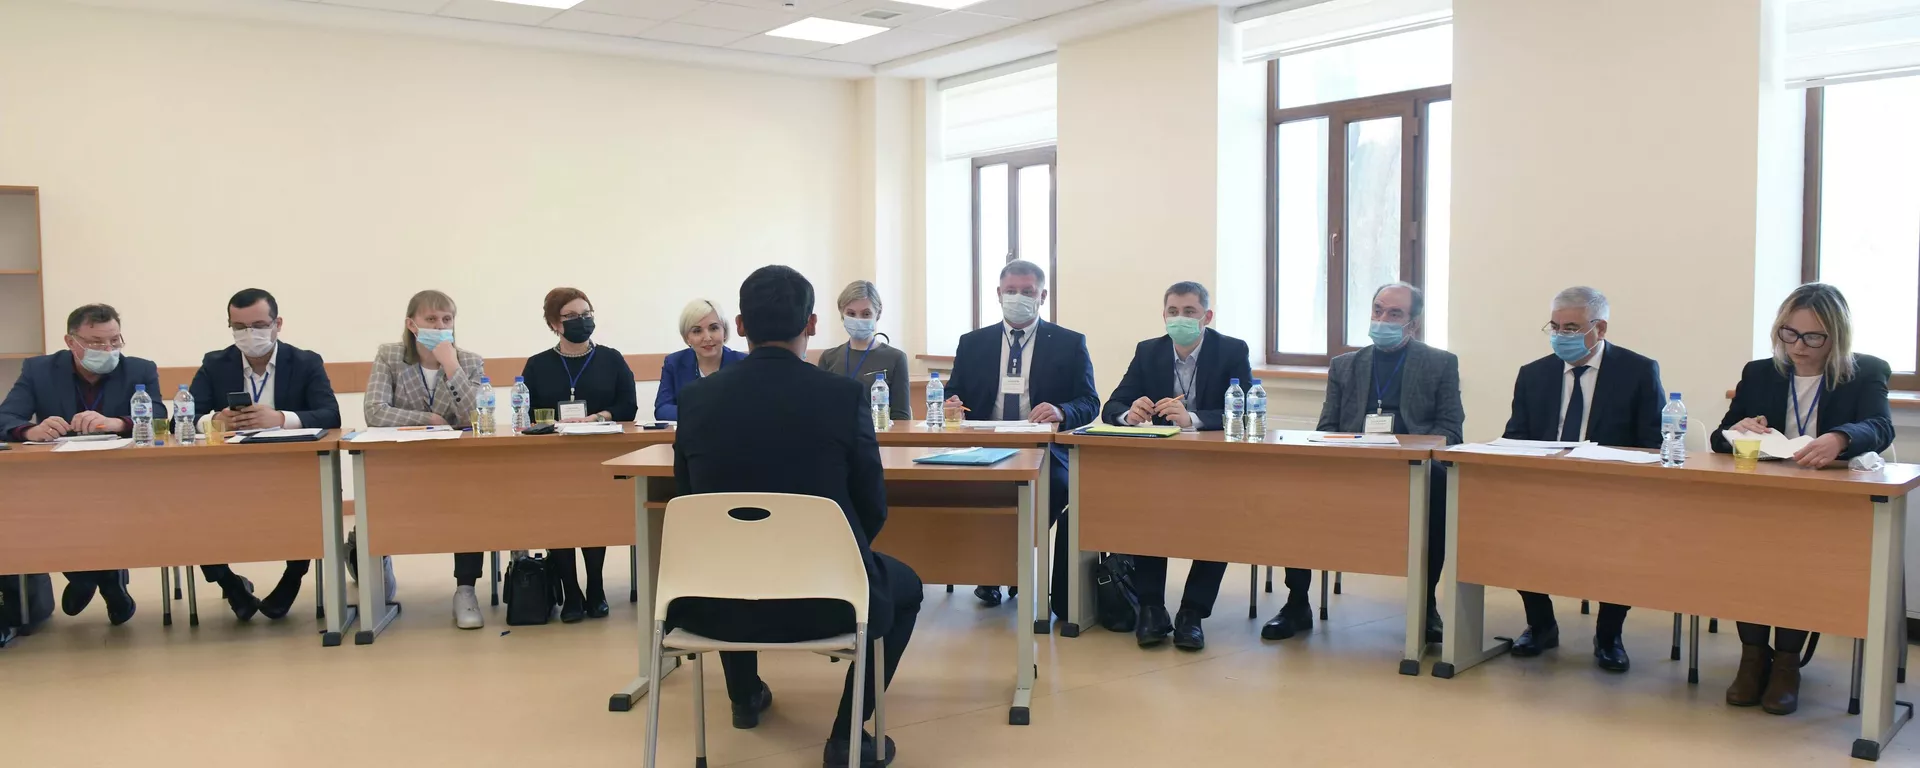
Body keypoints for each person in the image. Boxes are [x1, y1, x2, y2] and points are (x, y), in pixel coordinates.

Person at [670, 265, 921, 767]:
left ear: (741, 326)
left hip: (716, 603)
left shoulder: (695, 399)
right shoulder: (843, 397)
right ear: (811, 324)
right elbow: (871, 505)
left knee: (733, 552)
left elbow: (690, 499)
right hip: (829, 600)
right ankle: (846, 737)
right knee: (907, 587)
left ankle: (745, 697)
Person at [1712, 282, 1893, 716]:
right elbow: (1721, 437)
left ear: (1837, 336)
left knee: (1797, 565)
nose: (1798, 347)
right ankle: (1753, 656)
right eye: (1789, 334)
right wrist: (1740, 430)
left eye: (1813, 337)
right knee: (1748, 559)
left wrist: (1840, 437)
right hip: (1764, 498)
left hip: (1824, 503)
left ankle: (1787, 663)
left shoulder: (1865, 371)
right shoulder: (1761, 372)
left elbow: (1880, 427)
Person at [1265, 282, 1465, 645]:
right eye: (1377, 310)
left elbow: (1451, 430)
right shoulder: (1345, 366)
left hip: (1412, 470)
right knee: (1297, 483)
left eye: (1394, 313)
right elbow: (1327, 427)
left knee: (1439, 485)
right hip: (1352, 467)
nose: (1383, 319)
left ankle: (1426, 606)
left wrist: (1404, 448)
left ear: (1413, 323)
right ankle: (1297, 602)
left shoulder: (1440, 363)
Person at [1501, 286, 1664, 673]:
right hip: (1544, 486)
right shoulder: (1533, 374)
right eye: (1555, 327)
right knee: (1510, 523)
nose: (1561, 336)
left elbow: (1651, 441)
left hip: (1610, 489)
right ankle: (1541, 624)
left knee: (1622, 536)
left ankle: (1609, 635)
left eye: (1571, 328)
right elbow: (1515, 436)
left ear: (1600, 328)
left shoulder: (1638, 371)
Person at [1099, 281, 1251, 650]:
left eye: (1189, 312)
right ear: (1163, 315)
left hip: (1215, 466)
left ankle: (1192, 613)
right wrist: (1129, 414)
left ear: (1206, 316)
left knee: (1219, 520)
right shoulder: (1148, 351)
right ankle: (1152, 608)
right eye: (1172, 312)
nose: (1179, 319)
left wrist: (1192, 419)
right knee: (1145, 514)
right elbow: (1112, 406)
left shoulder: (1231, 350)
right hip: (1159, 464)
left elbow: (1245, 410)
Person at [944, 259, 1098, 616]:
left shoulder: (1069, 343)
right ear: (998, 294)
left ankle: (1007, 562)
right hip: (983, 444)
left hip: (1042, 447)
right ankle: (997, 565)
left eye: (1027, 291)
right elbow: (954, 392)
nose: (1018, 297)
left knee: (1056, 485)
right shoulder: (973, 343)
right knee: (962, 486)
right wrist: (952, 404)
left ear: (1042, 296)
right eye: (1011, 291)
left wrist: (1061, 410)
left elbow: (1090, 402)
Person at [190, 288, 342, 621]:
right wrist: (213, 421)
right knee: (191, 511)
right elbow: (183, 419)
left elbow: (331, 415)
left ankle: (293, 577)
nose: (249, 334)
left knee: (309, 503)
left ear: (277, 324)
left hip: (289, 471)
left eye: (259, 325)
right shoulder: (215, 364)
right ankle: (230, 585)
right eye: (239, 327)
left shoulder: (305, 362)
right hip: (226, 473)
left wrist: (281, 419)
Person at [0, 303, 154, 625]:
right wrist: (30, 430)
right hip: (59, 479)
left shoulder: (139, 370)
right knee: (44, 509)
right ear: (71, 341)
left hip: (122, 477)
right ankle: (102, 577)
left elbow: (161, 418)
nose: (108, 349)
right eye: (96, 342)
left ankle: (88, 575)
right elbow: (6, 416)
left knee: (105, 506)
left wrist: (117, 422)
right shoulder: (39, 370)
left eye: (114, 340)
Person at [364, 289, 489, 629]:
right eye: (431, 319)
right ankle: (367, 559)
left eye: (447, 319)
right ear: (412, 324)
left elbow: (476, 416)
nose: (440, 326)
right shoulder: (390, 357)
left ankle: (465, 590)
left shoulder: (470, 362)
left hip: (455, 466)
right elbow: (375, 411)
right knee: (381, 509)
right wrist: (427, 420)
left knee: (470, 507)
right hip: (400, 465)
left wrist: (451, 365)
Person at [519, 287, 638, 623]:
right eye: (571, 316)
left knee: (593, 517)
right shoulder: (537, 365)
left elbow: (628, 405)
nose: (581, 321)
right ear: (554, 324)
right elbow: (526, 413)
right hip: (553, 460)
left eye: (586, 314)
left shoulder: (611, 359)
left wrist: (598, 417)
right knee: (561, 520)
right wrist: (550, 423)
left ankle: (596, 588)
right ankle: (571, 592)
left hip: (597, 456)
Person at [816, 280, 910, 423]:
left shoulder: (896, 358)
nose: (858, 319)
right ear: (842, 313)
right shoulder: (829, 358)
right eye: (851, 313)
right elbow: (819, 410)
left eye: (866, 314)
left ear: (878, 313)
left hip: (879, 434)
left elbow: (901, 417)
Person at [655, 299, 746, 421]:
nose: (707, 338)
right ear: (687, 338)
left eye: (714, 328)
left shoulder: (743, 363)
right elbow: (662, 409)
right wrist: (705, 413)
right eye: (697, 331)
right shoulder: (674, 363)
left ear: (724, 332)